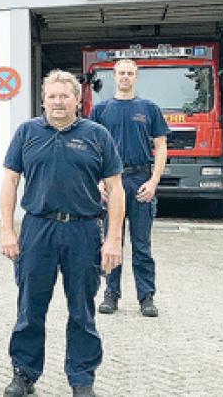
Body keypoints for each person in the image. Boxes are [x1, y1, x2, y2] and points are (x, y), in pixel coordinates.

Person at [0, 70, 124, 397]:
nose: (57, 102)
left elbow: (116, 188)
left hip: (83, 230)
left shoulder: (97, 135)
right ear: (43, 99)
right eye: (52, 96)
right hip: (37, 228)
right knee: (30, 306)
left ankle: (82, 379)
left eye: (64, 96)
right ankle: (24, 374)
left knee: (82, 309)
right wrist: (6, 230)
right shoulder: (27, 132)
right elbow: (10, 182)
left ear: (76, 100)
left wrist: (112, 240)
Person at [90, 59, 168, 317]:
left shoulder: (149, 109)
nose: (125, 77)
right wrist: (97, 180)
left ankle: (146, 297)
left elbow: (161, 147)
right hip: (112, 182)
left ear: (136, 77)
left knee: (142, 245)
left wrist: (154, 181)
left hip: (140, 181)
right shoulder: (100, 110)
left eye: (130, 73)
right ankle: (111, 295)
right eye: (121, 73)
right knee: (112, 241)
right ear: (114, 76)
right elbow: (92, 150)